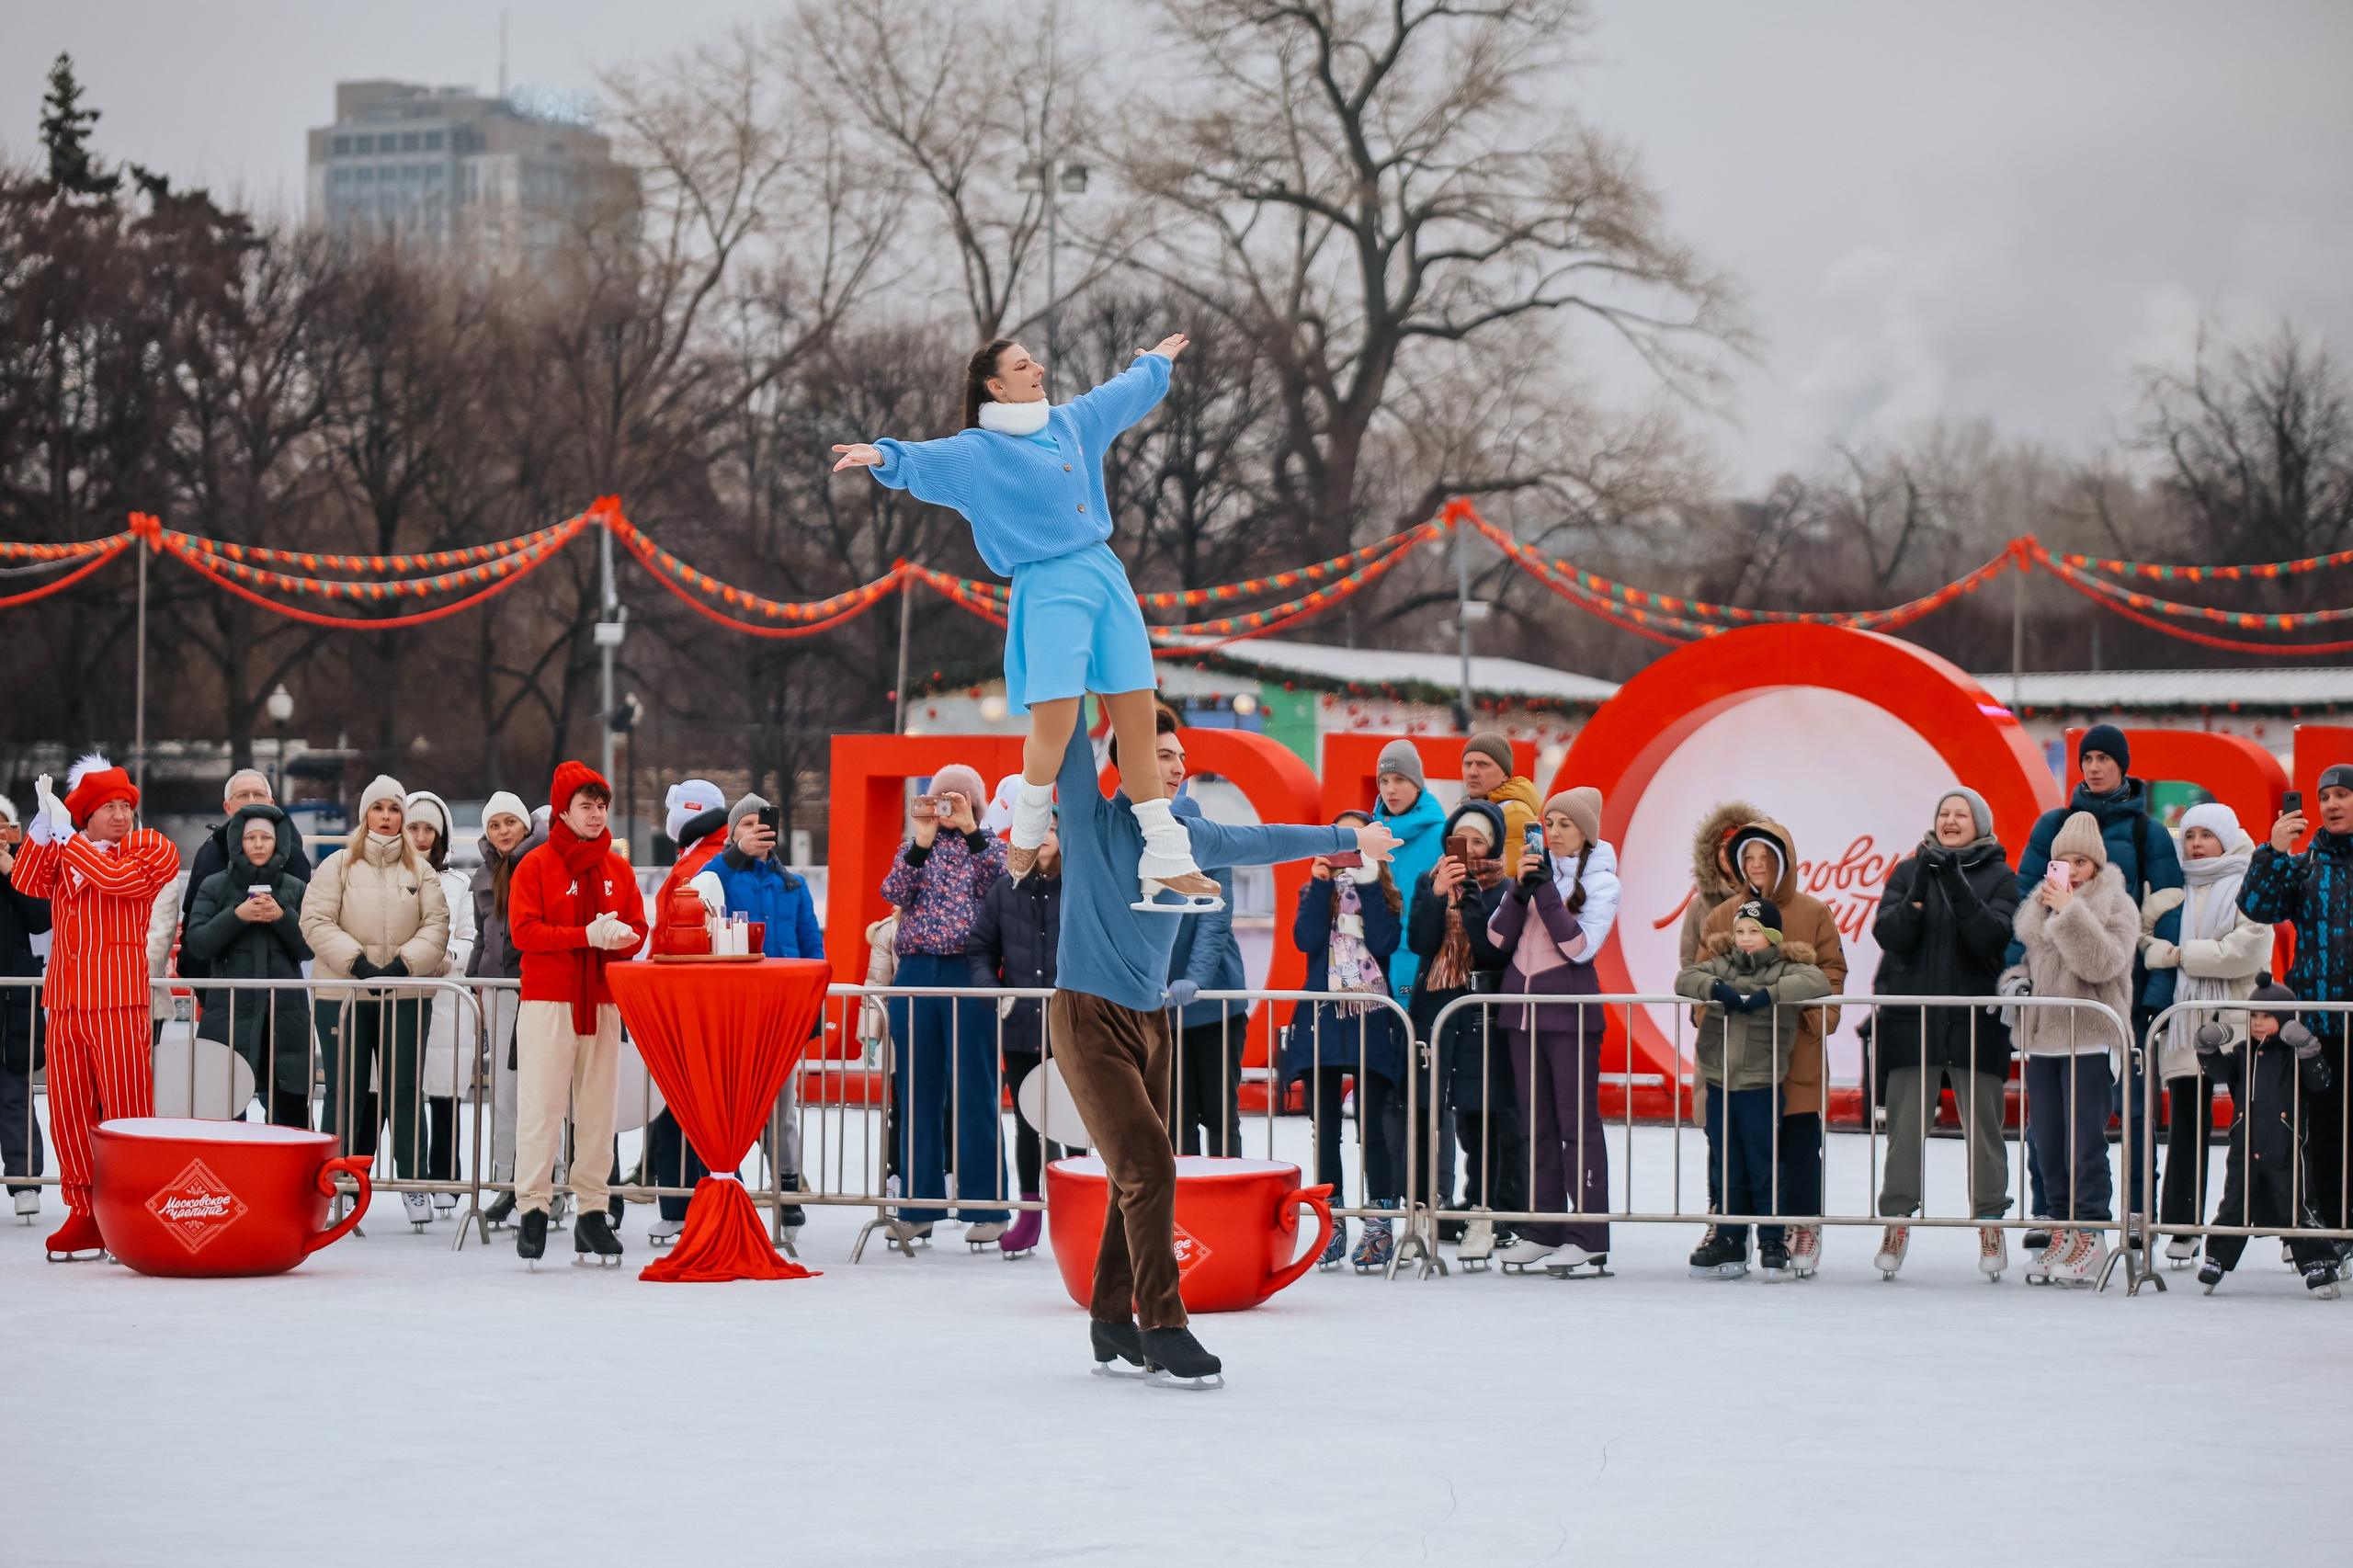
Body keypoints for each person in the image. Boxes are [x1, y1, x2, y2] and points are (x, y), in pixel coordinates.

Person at [1043, 715, 1395, 1387]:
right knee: (1149, 1169)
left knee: (1135, 1175)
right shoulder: (1090, 817)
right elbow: (1065, 734)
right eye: (1161, 755)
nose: (1176, 766)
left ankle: (1111, 1316)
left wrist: (1351, 838)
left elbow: (1264, 839)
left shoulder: (1190, 835)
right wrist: (1084, 653)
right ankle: (1163, 1325)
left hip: (1153, 1023)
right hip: (1088, 1016)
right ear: (1128, 763)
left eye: (1181, 756)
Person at [833, 334, 1222, 909]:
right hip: (1046, 585)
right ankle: (1029, 820)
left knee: (1138, 716)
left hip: (1105, 577)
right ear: (996, 385)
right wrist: (883, 457)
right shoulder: (979, 452)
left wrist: (1154, 363)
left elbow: (1118, 396)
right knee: (1058, 723)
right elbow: (923, 459)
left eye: (1034, 360)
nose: (1038, 368)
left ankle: (1165, 851)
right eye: (1023, 365)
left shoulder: (1070, 424)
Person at [2007, 724, 2183, 1235]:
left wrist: (2152, 998)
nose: (2094, 767)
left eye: (2105, 757)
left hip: (2116, 999)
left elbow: (2166, 915)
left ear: (2123, 765)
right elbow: (2025, 908)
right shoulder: (2052, 826)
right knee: (2048, 1127)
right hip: (2051, 1008)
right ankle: (2051, 1212)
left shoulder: (2147, 833)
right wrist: (2017, 980)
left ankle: (2131, 1210)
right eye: (2087, 758)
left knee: (2122, 1116)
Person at [14, 754, 181, 1258]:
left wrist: (68, 839)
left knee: (127, 1111)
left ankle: (133, 1208)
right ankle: (84, 1210)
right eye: (107, 806)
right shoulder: (67, 849)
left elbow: (119, 881)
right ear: (84, 813)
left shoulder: (148, 847)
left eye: (125, 804)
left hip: (118, 1001)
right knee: (68, 1112)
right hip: (65, 1002)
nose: (120, 814)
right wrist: (43, 830)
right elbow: (26, 883)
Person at [1867, 786, 2018, 1280]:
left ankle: (1990, 1222)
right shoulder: (1909, 871)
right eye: (1944, 813)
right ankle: (1895, 1220)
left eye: (1962, 814)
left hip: (1977, 1024)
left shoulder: (2000, 875)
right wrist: (1920, 886)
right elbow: (1890, 935)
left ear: (1980, 823)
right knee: (1904, 1131)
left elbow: (1991, 940)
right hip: (1914, 1022)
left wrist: (1954, 881)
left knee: (1985, 1131)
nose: (1952, 821)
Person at [506, 761, 649, 1266]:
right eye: (586, 806)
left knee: (596, 1113)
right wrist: (584, 936)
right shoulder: (536, 864)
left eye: (601, 806)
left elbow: (637, 924)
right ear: (563, 811)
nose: (596, 814)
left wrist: (624, 937)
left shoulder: (617, 867)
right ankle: (533, 1209)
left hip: (601, 1001)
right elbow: (524, 933)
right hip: (549, 1000)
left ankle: (592, 1211)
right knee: (542, 1110)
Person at [301, 775, 450, 1231]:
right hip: (343, 993)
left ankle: (413, 1183)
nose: (386, 816)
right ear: (365, 814)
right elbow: (315, 919)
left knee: (404, 1089)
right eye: (378, 807)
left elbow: (436, 925)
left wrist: (404, 966)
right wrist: (359, 964)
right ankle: (336, 1185)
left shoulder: (420, 871)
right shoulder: (338, 865)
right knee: (343, 1092)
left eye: (394, 808)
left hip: (404, 993)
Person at [1699, 817, 1847, 1277]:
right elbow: (1703, 975)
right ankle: (1729, 1231)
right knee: (1733, 1147)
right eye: (1749, 858)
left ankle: (1801, 1225)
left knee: (1799, 1145)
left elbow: (1833, 975)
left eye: (1766, 857)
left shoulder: (1814, 912)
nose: (1757, 865)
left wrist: (1815, 1019)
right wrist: (1710, 1015)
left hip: (1794, 1052)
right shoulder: (1724, 916)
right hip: (1738, 1056)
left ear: (1784, 862)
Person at [1487, 787, 1621, 1276]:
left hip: (1569, 1015)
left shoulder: (1603, 882)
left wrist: (1543, 889)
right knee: (1535, 1123)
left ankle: (1588, 1234)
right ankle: (1543, 1229)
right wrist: (1519, 890)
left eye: (1567, 824)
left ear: (1587, 831)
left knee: (1575, 1124)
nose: (1556, 832)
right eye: (1550, 823)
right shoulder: (1529, 873)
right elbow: (1498, 939)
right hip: (1522, 1014)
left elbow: (1578, 947)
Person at [2006, 810, 2139, 1289]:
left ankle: (2091, 1233)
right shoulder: (2040, 910)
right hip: (2045, 1041)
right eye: (2064, 860)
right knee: (2047, 1144)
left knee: (2085, 1144)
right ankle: (2061, 1229)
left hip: (2092, 1036)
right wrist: (2016, 986)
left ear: (2097, 866)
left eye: (2081, 860)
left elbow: (2102, 964)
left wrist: (2069, 911)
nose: (2072, 869)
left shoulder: (2115, 904)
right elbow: (2030, 964)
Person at [879, 763, 1009, 1244]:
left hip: (969, 970)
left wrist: (973, 834)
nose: (947, 808)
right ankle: (918, 1204)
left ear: (975, 803)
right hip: (915, 970)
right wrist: (920, 840)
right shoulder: (917, 848)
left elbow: (1001, 886)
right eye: (940, 799)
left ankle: (987, 1204)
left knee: (975, 1089)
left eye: (957, 799)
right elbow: (893, 891)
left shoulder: (990, 846)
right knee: (915, 1091)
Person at [1676, 896, 1831, 1280]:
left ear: (1772, 937)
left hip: (1761, 1083)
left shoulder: (1785, 968)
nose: (1745, 939)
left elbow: (1818, 981)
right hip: (1720, 1080)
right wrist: (1714, 986)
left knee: (1764, 1165)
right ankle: (1729, 1236)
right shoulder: (1722, 964)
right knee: (1726, 1165)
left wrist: (1769, 995)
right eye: (1741, 931)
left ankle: (1772, 1240)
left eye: (1754, 933)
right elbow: (1684, 978)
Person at [689, 791, 824, 1237]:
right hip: (733, 1010)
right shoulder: (720, 875)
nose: (755, 832)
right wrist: (733, 856)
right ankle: (727, 1183)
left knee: (782, 1107)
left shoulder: (794, 886)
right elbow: (700, 892)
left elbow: (812, 952)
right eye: (745, 825)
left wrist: (813, 1009)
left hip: (783, 1011)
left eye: (761, 825)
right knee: (731, 1103)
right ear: (731, 835)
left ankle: (787, 1188)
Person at [1281, 809, 1408, 1272]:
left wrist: (1370, 880)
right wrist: (1319, 883)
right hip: (1322, 1020)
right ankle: (1330, 1221)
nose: (1347, 856)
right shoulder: (1316, 890)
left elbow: (1387, 943)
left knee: (1372, 1129)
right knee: (1325, 1132)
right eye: (1343, 845)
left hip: (1371, 1017)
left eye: (1356, 845)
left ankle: (1379, 1222)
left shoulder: (1385, 893)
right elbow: (1305, 939)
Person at [2143, 801, 2268, 1266]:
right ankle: (2182, 1224)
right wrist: (2159, 949)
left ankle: (2265, 1221)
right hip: (2186, 1024)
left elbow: (2247, 950)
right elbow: (2141, 934)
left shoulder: (2251, 884)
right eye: (2189, 835)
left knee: (2254, 1127)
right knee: (2186, 1127)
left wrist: (2178, 955)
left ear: (2226, 837)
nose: (2195, 844)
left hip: (2240, 1021)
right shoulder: (2173, 892)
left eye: (2205, 835)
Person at [2238, 766, 2353, 1256]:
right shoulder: (2303, 865)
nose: (2331, 804)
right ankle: (2326, 1225)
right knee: (2321, 1131)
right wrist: (2275, 852)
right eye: (2325, 796)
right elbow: (2257, 906)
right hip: (2318, 1028)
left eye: (2343, 794)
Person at [1408, 801, 1516, 1260]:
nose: (1469, 850)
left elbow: (1495, 954)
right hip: (1433, 1008)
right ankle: (1419, 1210)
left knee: (1479, 1118)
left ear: (1493, 844)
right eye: (1461, 840)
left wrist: (1471, 902)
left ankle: (1483, 1212)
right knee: (1423, 1111)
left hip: (1480, 1016)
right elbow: (1420, 943)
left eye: (1479, 841)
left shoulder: (1506, 890)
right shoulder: (1427, 880)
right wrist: (1435, 895)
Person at [2191, 983, 2342, 1296]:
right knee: (2235, 1203)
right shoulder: (2244, 1053)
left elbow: (2320, 1081)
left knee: (2297, 1204)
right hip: (2245, 1145)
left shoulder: (2293, 1055)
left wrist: (2309, 1049)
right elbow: (2219, 1072)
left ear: (2285, 1019)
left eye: (2267, 1016)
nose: (2258, 1022)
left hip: (2287, 1147)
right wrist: (2206, 1047)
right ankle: (2217, 1257)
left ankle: (2318, 1263)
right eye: (2254, 1015)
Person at [181, 804, 313, 1129]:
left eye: (265, 837)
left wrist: (282, 918)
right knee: (223, 1110)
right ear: (238, 842)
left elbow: (310, 947)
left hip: (283, 1016)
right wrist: (235, 916)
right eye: (250, 837)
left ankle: (287, 1179)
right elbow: (197, 943)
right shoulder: (214, 885)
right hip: (228, 1014)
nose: (257, 844)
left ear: (278, 843)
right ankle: (228, 1178)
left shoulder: (296, 888)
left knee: (289, 1113)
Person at [966, 817, 1063, 1259]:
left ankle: (1079, 1209)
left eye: (1051, 828)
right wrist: (991, 990)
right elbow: (981, 948)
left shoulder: (1083, 886)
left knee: (1079, 1123)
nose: (1042, 835)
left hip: (1074, 1024)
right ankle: (1030, 1214)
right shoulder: (1004, 890)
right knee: (1031, 1123)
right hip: (1021, 1023)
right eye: (1034, 827)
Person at [640, 779, 726, 1242]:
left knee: (675, 1107)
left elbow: (676, 937)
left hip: (683, 999)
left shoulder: (696, 863)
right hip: (701, 998)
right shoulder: (709, 856)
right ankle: (700, 1196)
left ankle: (680, 1203)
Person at [467, 790, 540, 1228]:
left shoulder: (540, 866)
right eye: (494, 825)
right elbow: (482, 933)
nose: (502, 831)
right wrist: (476, 981)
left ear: (525, 826)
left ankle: (550, 1181)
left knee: (544, 1091)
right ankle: (505, 1180)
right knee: (506, 1093)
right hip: (498, 989)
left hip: (533, 986)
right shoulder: (481, 876)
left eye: (510, 822)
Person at [405, 791, 477, 1218]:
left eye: (428, 828)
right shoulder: (384, 878)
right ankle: (387, 1176)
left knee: (446, 1090)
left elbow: (471, 936)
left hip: (447, 997)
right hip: (402, 994)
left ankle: (447, 1175)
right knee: (395, 1089)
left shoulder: (459, 884)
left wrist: (450, 958)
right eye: (413, 827)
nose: (420, 836)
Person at [176, 767, 312, 980]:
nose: (251, 800)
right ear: (228, 807)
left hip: (280, 989)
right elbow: (193, 917)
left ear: (271, 803)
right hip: (217, 987)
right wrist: (195, 974)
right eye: (242, 795)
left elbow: (309, 928)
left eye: (258, 794)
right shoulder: (209, 853)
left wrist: (280, 916)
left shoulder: (293, 855)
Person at [0, 798, 51, 1221]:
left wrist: (11, 872)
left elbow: (41, 919)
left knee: (15, 1093)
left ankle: (25, 1182)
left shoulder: (22, 869)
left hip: (13, 999)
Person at [1372, 740, 1448, 1003]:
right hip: (1370, 956)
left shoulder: (1443, 834)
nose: (1390, 789)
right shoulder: (1369, 832)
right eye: (1384, 780)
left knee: (1415, 1039)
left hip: (1420, 958)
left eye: (1400, 779)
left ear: (1417, 783)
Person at [1679, 800, 1767, 966]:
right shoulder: (1700, 906)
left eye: (1736, 846)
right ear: (1712, 854)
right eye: (1723, 846)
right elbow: (1688, 960)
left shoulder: (1770, 899)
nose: (1728, 852)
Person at [1460, 733, 1541, 877]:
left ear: (1505, 774)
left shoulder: (1515, 812)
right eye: (1468, 764)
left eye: (1483, 764)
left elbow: (1516, 880)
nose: (1472, 772)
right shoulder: (1473, 808)